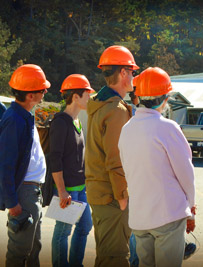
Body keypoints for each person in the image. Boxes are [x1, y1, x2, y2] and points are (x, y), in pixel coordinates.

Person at [118, 67, 196, 267]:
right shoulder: (167, 127)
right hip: (167, 214)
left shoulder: (127, 129)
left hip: (140, 218)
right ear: (165, 98)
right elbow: (186, 173)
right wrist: (191, 206)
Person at [85, 45, 138, 266]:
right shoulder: (115, 110)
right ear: (123, 73)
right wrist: (123, 197)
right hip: (112, 197)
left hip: (101, 193)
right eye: (132, 71)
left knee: (106, 256)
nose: (134, 76)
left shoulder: (100, 104)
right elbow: (115, 159)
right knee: (115, 259)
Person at [0, 64, 50, 266]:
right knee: (19, 252)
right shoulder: (15, 120)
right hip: (24, 193)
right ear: (30, 95)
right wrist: (12, 202)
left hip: (31, 192)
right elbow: (6, 164)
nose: (45, 91)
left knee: (32, 250)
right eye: (42, 89)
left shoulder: (23, 117)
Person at [49, 74, 94, 266]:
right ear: (75, 96)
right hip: (66, 190)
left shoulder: (77, 122)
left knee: (85, 225)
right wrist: (61, 190)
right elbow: (55, 159)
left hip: (80, 188)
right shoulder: (60, 122)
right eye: (87, 94)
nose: (90, 98)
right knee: (63, 231)